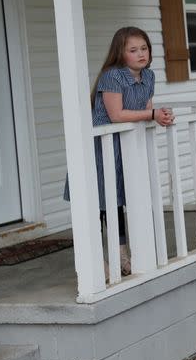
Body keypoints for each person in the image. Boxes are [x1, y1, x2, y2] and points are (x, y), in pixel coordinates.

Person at [64, 27, 174, 279]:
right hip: (102, 148)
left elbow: (146, 109)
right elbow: (117, 115)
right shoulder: (111, 76)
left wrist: (160, 115)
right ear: (120, 53)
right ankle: (95, 259)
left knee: (119, 203)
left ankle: (121, 254)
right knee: (98, 204)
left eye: (144, 48)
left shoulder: (149, 76)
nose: (140, 54)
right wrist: (152, 115)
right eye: (133, 50)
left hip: (126, 147)